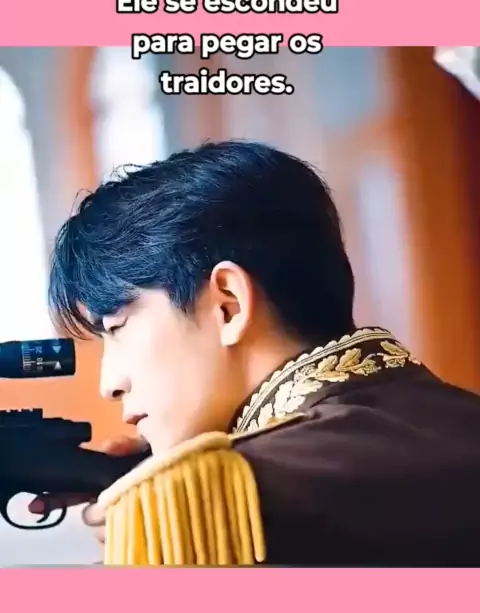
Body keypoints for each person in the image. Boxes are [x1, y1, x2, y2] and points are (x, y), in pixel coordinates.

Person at [30, 140, 480, 565]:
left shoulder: (204, 507)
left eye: (116, 327)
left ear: (229, 305)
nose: (109, 383)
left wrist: (157, 508)